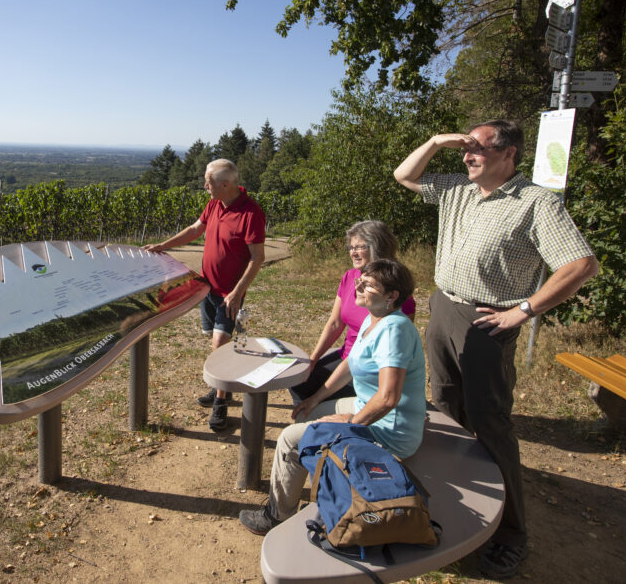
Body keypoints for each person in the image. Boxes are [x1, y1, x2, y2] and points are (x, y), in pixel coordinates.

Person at [393, 119, 598, 579]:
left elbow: (581, 263)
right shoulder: (458, 189)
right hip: (444, 307)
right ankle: (458, 506)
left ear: (508, 154)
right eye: (465, 149)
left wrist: (524, 310)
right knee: (446, 410)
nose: (467, 156)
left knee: (490, 425)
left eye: (478, 150)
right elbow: (404, 176)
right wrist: (434, 141)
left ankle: (510, 535)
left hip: (490, 320)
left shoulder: (536, 203)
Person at [239, 259, 426, 535]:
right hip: (367, 408)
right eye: (360, 279)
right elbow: (350, 364)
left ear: (392, 295)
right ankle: (320, 481)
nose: (358, 285)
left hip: (390, 430)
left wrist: (349, 421)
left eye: (368, 284)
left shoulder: (394, 330)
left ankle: (277, 516)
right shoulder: (373, 319)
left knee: (289, 440)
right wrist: (315, 398)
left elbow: (388, 398)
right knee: (304, 416)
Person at [143, 159, 266, 431]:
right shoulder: (215, 204)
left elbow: (257, 258)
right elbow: (195, 229)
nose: (204, 186)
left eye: (208, 183)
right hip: (207, 288)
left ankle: (220, 404)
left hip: (229, 294)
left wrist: (237, 292)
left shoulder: (250, 212)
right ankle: (222, 387)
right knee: (213, 340)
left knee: (220, 344)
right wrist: (164, 246)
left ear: (225, 185)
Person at [290, 220, 416, 406]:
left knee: (319, 395)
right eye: (351, 247)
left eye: (359, 247)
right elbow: (334, 323)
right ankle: (310, 425)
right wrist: (313, 360)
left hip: (369, 370)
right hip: (347, 357)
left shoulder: (393, 293)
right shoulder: (350, 277)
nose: (352, 252)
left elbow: (394, 351)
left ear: (377, 246)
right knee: (298, 380)